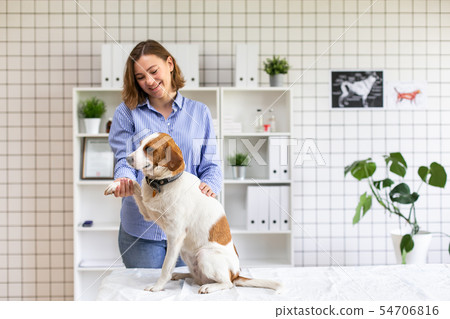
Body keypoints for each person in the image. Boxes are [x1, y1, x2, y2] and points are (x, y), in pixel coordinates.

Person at [108, 40, 222, 268]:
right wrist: (125, 178)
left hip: (190, 230)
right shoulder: (126, 113)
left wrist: (211, 183)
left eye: (153, 71)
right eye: (140, 77)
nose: (149, 81)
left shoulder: (199, 112)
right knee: (147, 299)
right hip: (142, 231)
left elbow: (211, 165)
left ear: (169, 63)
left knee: (190, 297)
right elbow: (125, 159)